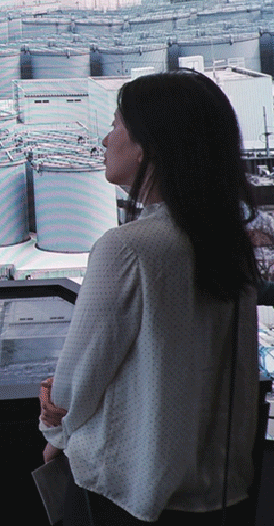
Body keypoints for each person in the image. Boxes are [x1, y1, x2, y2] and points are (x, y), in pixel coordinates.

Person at [38, 70, 260, 524]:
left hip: (132, 493)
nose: (105, 139)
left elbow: (76, 379)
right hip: (223, 489)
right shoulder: (225, 241)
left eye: (117, 126)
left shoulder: (128, 248)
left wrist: (53, 432)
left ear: (148, 147)